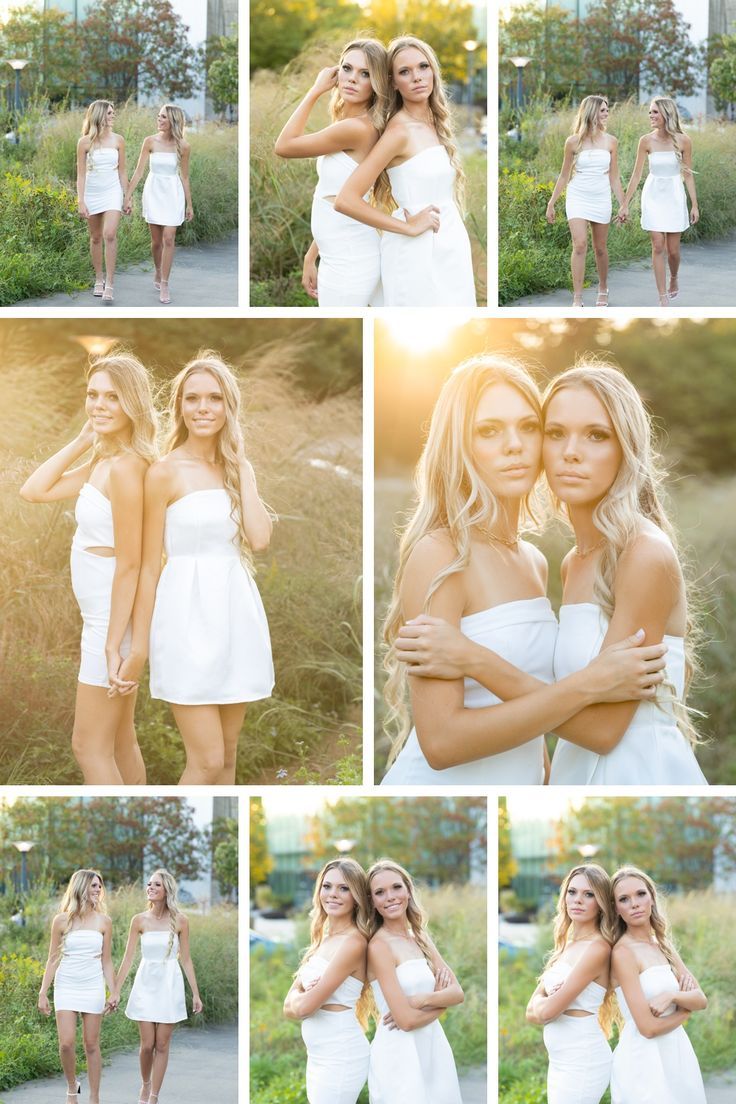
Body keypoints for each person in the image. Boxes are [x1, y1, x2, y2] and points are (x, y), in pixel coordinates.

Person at [380, 355, 668, 785]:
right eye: (489, 431)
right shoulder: (440, 554)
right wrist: (592, 683)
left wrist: (545, 781)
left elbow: (533, 717)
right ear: (457, 444)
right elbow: (440, 744)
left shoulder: (535, 561)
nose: (514, 445)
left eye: (529, 427)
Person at [113, 351, 274, 784]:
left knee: (227, 756)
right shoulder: (164, 473)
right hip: (184, 618)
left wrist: (243, 468)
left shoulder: (237, 469)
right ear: (180, 406)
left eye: (215, 399)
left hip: (235, 614)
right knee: (205, 760)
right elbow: (148, 568)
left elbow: (258, 539)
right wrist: (138, 648)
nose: (204, 408)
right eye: (193, 398)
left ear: (228, 407)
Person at [543, 363, 707, 784]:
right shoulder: (574, 561)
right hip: (575, 777)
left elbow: (601, 731)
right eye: (555, 433)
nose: (570, 452)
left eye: (597, 435)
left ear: (626, 447)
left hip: (637, 775)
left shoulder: (644, 553)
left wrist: (477, 665)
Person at [20, 350, 157, 784]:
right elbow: (34, 490)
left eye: (112, 397)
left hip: (109, 624)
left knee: (88, 746)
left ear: (133, 403)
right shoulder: (105, 461)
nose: (98, 404)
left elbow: (131, 564)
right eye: (92, 394)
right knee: (118, 741)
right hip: (100, 619)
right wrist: (83, 440)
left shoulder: (127, 469)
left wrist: (115, 644)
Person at [334, 36, 475, 307]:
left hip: (451, 244)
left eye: (423, 67)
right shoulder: (398, 131)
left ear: (433, 70)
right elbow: (346, 199)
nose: (417, 77)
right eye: (404, 72)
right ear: (394, 83)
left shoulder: (435, 123)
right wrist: (406, 228)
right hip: (415, 252)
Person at [274, 39, 388, 306]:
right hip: (338, 252)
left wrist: (314, 91)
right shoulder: (351, 123)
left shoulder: (356, 128)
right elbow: (331, 197)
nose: (352, 79)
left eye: (366, 74)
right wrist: (311, 255)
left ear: (378, 82)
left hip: (349, 260)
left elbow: (283, 146)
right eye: (347, 69)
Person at [366, 859, 463, 1102]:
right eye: (380, 892)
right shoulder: (379, 946)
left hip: (434, 1049)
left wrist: (421, 999)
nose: (390, 897)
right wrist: (442, 1004)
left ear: (408, 890)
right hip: (399, 1055)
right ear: (372, 902)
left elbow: (458, 993)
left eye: (396, 887)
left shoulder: (420, 936)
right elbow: (406, 1022)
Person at [609, 866, 707, 1103]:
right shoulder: (623, 953)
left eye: (640, 894)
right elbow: (648, 1028)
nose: (634, 903)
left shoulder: (663, 944)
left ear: (652, 897)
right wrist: (685, 1013)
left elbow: (701, 999)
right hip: (643, 1061)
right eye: (624, 899)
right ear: (616, 909)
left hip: (678, 1055)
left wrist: (672, 997)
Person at [283, 859, 371, 1103]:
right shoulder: (324, 938)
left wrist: (300, 996)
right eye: (327, 886)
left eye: (344, 888)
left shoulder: (353, 942)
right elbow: (287, 1008)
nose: (333, 894)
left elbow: (302, 1008)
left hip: (341, 1055)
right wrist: (300, 997)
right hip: (318, 1054)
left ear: (357, 897)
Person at [111, 869, 202, 1104]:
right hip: (145, 985)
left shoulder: (181, 920)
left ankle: (153, 1097)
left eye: (156, 885)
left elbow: (186, 959)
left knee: (162, 1044)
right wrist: (115, 991)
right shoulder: (139, 920)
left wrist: (195, 993)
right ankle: (145, 1083)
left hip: (169, 985)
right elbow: (128, 958)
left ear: (166, 891)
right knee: (147, 1044)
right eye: (149, 884)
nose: (150, 887)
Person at [526, 864, 614, 1104]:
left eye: (589, 894)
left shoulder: (597, 948)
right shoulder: (566, 945)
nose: (578, 900)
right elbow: (530, 1013)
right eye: (572, 892)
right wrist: (545, 1002)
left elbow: (546, 1012)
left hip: (583, 1060)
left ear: (602, 903)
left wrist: (544, 1002)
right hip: (560, 1060)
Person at [37, 870, 116, 1104]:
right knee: (66, 1043)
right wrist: (43, 992)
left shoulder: (105, 921)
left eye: (99, 886)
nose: (98, 890)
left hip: (92, 985)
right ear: (81, 887)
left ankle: (94, 1097)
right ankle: (73, 1087)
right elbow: (53, 958)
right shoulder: (61, 920)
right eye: (93, 886)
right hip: (66, 984)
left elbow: (107, 960)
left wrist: (114, 991)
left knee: (91, 1044)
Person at [618, 97, 699, 306]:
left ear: (666, 114)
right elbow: (636, 175)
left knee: (673, 251)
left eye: (655, 112)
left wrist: (694, 205)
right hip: (653, 195)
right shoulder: (645, 141)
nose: (651, 116)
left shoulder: (683, 140)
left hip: (674, 195)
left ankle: (673, 277)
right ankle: (662, 297)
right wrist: (625, 203)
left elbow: (688, 174)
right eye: (650, 112)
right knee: (657, 245)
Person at [545, 95, 625, 307]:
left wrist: (623, 204)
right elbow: (564, 175)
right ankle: (577, 297)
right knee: (579, 244)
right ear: (591, 112)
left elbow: (614, 177)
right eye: (603, 110)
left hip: (601, 196)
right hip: (578, 195)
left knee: (600, 247)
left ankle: (603, 288)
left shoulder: (611, 141)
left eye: (607, 110)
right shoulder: (573, 142)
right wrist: (551, 202)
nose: (606, 113)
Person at [125, 105, 193, 304]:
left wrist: (189, 205)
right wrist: (127, 196)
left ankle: (164, 282)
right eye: (158, 116)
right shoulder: (150, 141)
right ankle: (157, 269)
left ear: (173, 121)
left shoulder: (184, 146)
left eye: (163, 117)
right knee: (156, 242)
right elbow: (138, 172)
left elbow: (185, 177)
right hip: (154, 191)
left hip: (173, 192)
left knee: (169, 237)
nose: (159, 119)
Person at [76, 100, 126, 304]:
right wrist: (80, 200)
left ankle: (111, 284)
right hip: (92, 192)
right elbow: (80, 175)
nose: (113, 115)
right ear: (99, 115)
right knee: (95, 237)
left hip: (113, 191)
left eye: (113, 112)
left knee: (110, 234)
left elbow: (123, 171)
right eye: (109, 113)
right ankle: (99, 278)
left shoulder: (119, 140)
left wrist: (127, 196)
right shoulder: (84, 142)